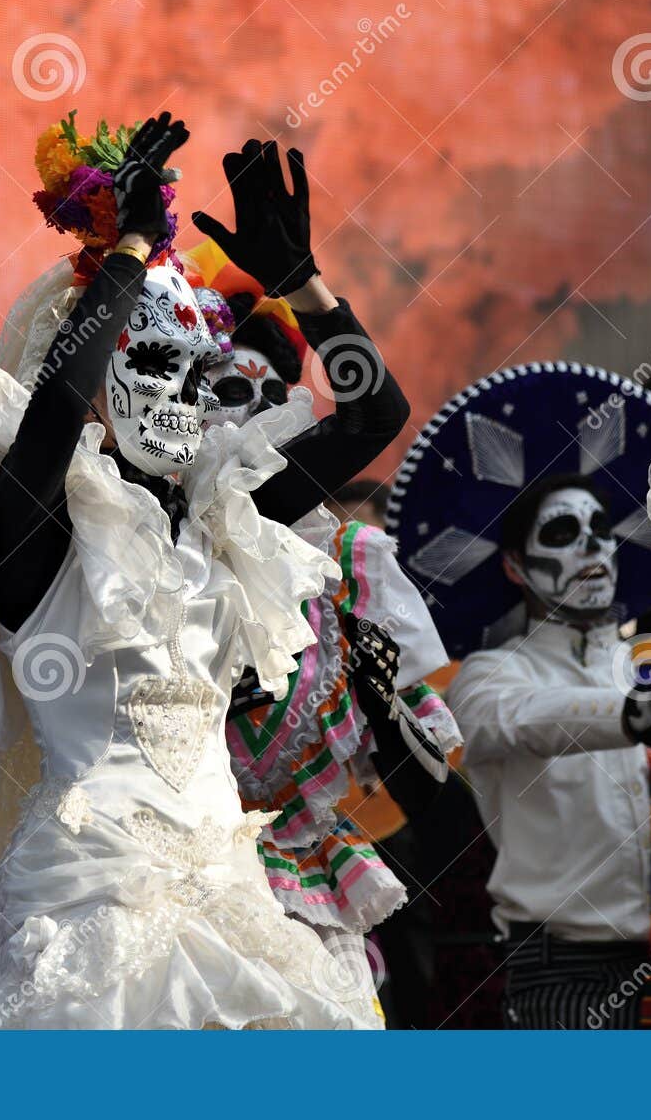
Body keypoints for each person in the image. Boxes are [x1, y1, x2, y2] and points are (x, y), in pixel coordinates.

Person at [0, 115, 404, 1029]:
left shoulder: (221, 525)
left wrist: (304, 290)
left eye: (202, 378)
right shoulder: (35, 530)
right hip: (86, 897)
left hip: (232, 884)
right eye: (155, 363)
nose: (183, 397)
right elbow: (50, 427)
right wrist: (133, 248)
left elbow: (373, 415)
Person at [387, 362, 651, 1028]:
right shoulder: (489, 678)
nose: (591, 545)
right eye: (562, 533)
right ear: (515, 566)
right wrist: (630, 717)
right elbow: (527, 721)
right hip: (561, 970)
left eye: (601, 530)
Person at [193, 284, 462, 1006]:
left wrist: (385, 710)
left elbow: (436, 802)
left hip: (308, 891)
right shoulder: (141, 551)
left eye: (263, 393)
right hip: (173, 887)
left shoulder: (351, 565)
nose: (242, 414)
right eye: (217, 388)